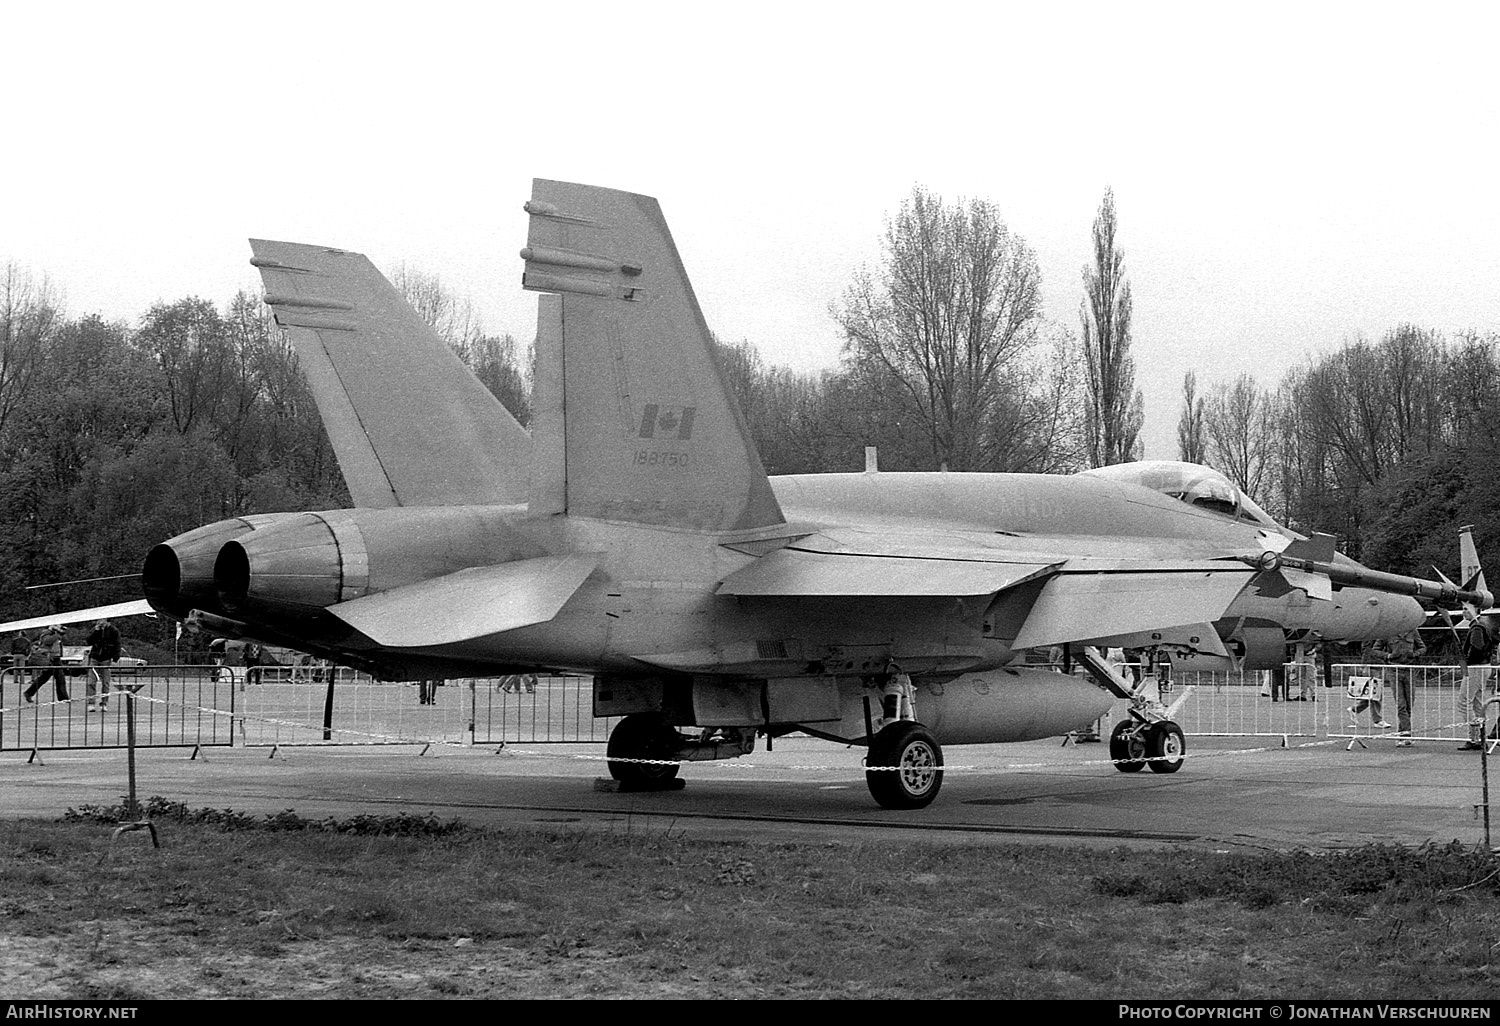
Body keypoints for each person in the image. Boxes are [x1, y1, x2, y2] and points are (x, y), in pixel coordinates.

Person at [1384, 629, 1426, 746]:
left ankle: (1402, 734)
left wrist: (1415, 654)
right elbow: (1374, 650)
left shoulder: (1413, 631)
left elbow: (1422, 648)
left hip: (1409, 670)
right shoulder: (1387, 631)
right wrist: (1388, 656)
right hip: (1394, 670)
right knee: (1401, 704)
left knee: (1408, 704)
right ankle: (1407, 735)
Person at [1348, 641, 1393, 729]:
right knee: (1376, 694)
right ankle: (1377, 720)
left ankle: (1355, 709)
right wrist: (1365, 665)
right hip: (1372, 666)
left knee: (1371, 694)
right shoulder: (1372, 634)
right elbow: (1367, 649)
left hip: (1377, 665)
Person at [22, 625, 69, 703]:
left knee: (56, 678)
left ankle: (29, 692)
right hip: (49, 658)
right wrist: (57, 634)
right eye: (57, 625)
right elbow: (47, 641)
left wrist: (61, 633)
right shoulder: (46, 632)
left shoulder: (56, 634)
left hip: (56, 658)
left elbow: (63, 641)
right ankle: (29, 692)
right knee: (50, 678)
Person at [85, 618, 121, 711]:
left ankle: (104, 703)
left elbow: (117, 644)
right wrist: (96, 631)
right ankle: (91, 703)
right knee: (91, 682)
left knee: (105, 683)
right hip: (94, 658)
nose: (100, 622)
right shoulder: (95, 629)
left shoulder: (114, 631)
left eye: (102, 620)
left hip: (106, 658)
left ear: (107, 621)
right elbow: (89, 641)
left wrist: (115, 658)